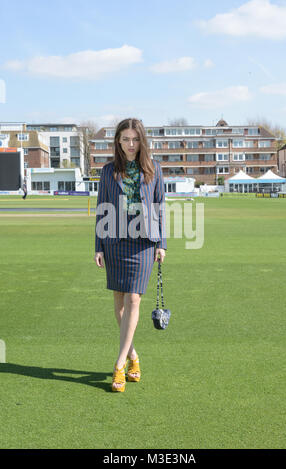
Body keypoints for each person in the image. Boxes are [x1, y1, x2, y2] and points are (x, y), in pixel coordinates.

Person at [94, 118, 167, 392]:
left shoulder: (154, 169)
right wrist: (98, 246)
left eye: (135, 139)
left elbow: (160, 206)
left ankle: (119, 365)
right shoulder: (108, 171)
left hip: (144, 243)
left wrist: (162, 243)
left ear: (142, 141)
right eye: (125, 139)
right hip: (115, 242)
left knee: (134, 298)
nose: (130, 144)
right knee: (119, 303)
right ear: (118, 141)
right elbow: (102, 208)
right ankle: (134, 356)